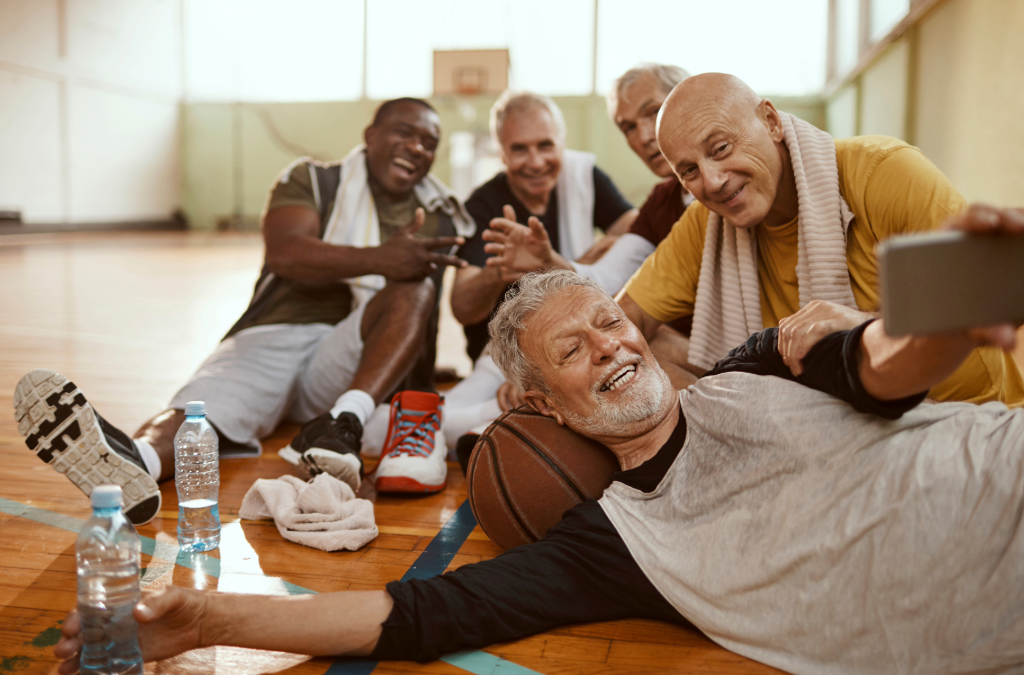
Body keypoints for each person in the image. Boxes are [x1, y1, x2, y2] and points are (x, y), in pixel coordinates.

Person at [54, 207, 1024, 674]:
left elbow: (886, 365)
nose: (609, 343)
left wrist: (954, 308)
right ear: (537, 404)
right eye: (574, 346)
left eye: (609, 322)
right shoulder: (614, 545)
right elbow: (414, 615)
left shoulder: (759, 364)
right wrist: (208, 621)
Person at [14, 98, 475, 524]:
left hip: (351, 362)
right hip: (274, 333)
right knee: (198, 411)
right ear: (370, 134)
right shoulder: (313, 179)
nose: (416, 147)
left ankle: (342, 424)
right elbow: (287, 253)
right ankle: (135, 462)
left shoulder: (441, 213)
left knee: (413, 291)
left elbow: (417, 316)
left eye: (429, 143)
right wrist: (381, 257)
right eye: (404, 132)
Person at [617, 72, 1024, 407]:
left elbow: (986, 301)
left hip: (966, 412)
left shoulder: (884, 172)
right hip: (833, 433)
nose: (713, 181)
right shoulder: (704, 223)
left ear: (771, 122)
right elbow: (619, 320)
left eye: (721, 148)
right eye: (688, 171)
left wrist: (863, 332)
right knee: (651, 344)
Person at [482, 63, 701, 390]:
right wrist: (549, 262)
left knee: (638, 343)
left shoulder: (729, 187)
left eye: (653, 112)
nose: (643, 136)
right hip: (682, 351)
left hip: (728, 351)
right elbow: (608, 278)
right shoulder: (660, 201)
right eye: (627, 127)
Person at [443, 90, 637, 446]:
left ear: (562, 144)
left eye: (545, 146)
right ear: (501, 152)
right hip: (503, 357)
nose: (535, 161)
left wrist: (575, 261)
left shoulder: (583, 178)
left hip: (577, 344)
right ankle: (493, 421)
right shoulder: (484, 204)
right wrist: (499, 272)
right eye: (519, 149)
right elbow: (461, 306)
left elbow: (641, 237)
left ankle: (495, 427)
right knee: (442, 416)